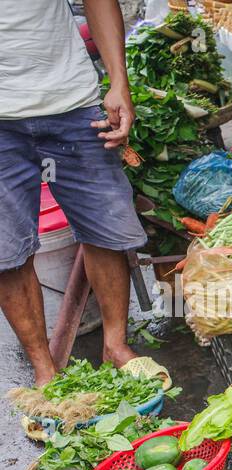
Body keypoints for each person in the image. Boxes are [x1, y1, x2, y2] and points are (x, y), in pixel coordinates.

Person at [0, 0, 147, 388]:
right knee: (7, 252)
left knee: (105, 227)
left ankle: (116, 346)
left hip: (73, 100)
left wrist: (119, 82)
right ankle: (45, 369)